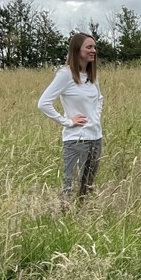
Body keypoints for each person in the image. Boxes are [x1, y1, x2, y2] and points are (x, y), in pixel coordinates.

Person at [38, 33, 103, 204]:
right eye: (89, 47)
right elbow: (43, 103)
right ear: (77, 49)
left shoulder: (91, 75)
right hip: (76, 140)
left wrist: (95, 117)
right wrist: (67, 121)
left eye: (94, 47)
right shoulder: (65, 75)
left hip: (96, 139)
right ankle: (63, 219)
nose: (93, 51)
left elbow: (100, 98)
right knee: (70, 188)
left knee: (86, 188)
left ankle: (82, 222)